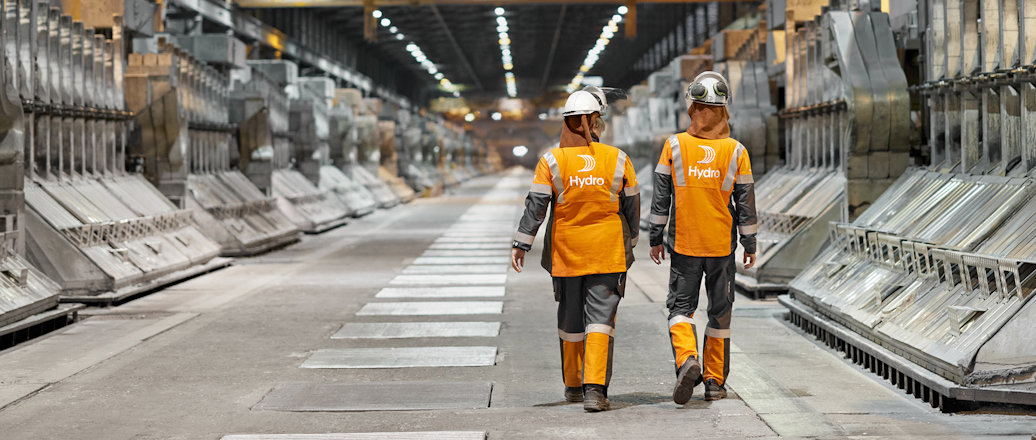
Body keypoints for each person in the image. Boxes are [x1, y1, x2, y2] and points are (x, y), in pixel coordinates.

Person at [511, 88, 640, 412]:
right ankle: (595, 390)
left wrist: (521, 243)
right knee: (600, 320)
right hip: (607, 253)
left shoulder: (552, 160)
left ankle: (572, 386)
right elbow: (632, 206)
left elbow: (536, 206)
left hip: (566, 254)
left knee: (570, 318)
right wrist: (632, 240)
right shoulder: (618, 158)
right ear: (594, 122)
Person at [647, 71, 757, 404]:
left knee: (681, 309)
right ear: (725, 110)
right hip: (721, 246)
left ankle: (687, 359)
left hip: (684, 244)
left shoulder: (674, 145)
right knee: (720, 314)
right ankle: (714, 382)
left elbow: (661, 197)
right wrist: (750, 244)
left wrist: (655, 236)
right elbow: (746, 202)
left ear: (692, 108)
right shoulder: (737, 151)